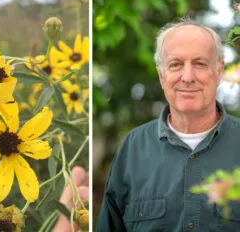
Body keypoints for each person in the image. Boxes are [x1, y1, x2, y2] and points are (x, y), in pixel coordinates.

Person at [96, 19, 240, 231]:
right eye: (176, 64)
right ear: (161, 74)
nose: (188, 77)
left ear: (218, 71)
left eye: (200, 64)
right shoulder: (132, 148)